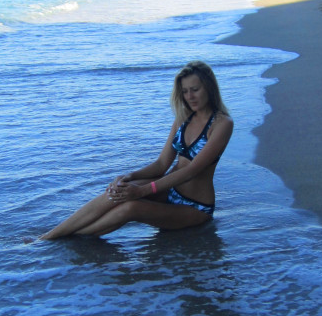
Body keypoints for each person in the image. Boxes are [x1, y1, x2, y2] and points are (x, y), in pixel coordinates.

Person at [40, 61, 233, 241]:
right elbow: (161, 164)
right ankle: (52, 236)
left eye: (195, 90)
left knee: (131, 207)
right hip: (169, 191)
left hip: (195, 206)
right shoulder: (183, 119)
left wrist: (142, 191)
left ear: (209, 87)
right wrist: (129, 177)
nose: (189, 96)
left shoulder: (222, 124)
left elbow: (192, 170)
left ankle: (59, 240)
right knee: (118, 192)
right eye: (184, 91)